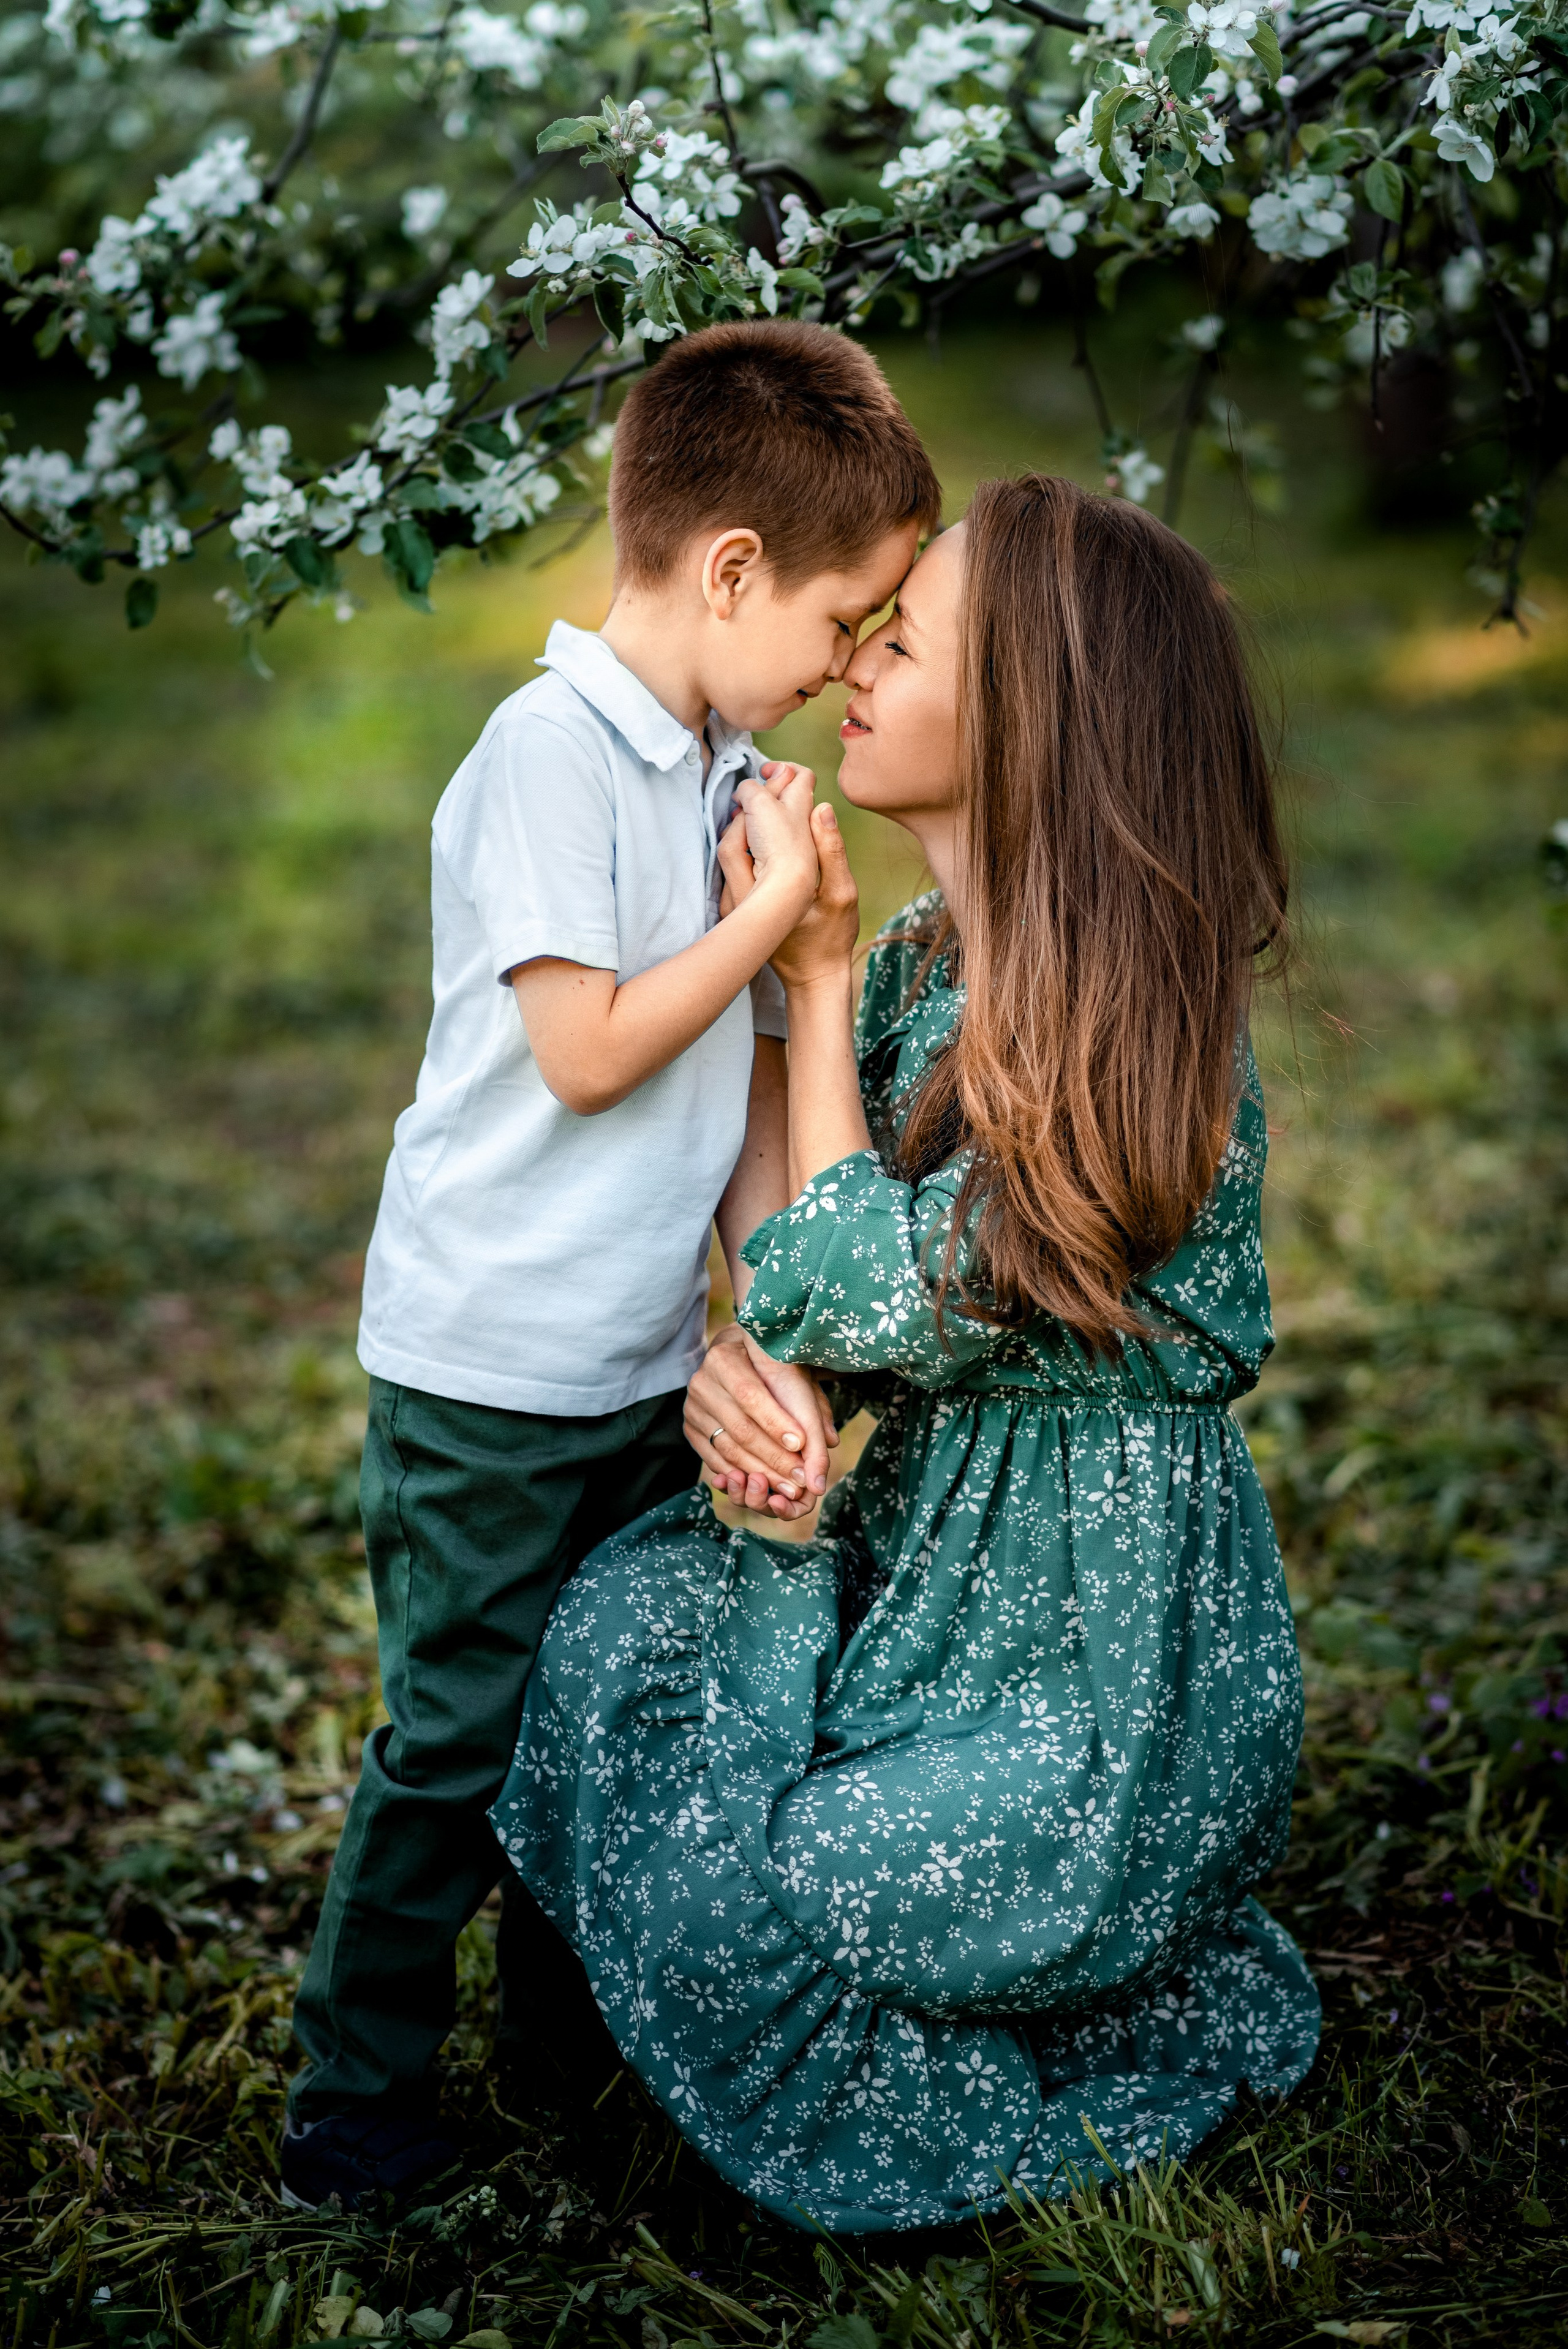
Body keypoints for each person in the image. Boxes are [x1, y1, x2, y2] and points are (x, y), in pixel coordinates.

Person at [491, 474, 1322, 2234]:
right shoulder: (929, 969)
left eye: (904, 638)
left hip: (1090, 1685)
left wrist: (815, 945)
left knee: (795, 1881)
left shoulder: (1138, 1034)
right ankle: (643, 2064)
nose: (853, 664)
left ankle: (1000, 2053)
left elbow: (852, 1270)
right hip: (934, 1571)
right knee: (626, 1628)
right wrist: (749, 1372)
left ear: (1025, 721)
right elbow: (813, 1288)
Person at [281, 320, 941, 2211]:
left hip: (633, 1361)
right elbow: (584, 1047)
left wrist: (777, 1309)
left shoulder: (719, 761)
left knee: (609, 1720)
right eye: (841, 622)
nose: (841, 674)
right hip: (489, 1368)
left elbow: (728, 1089)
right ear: (731, 570)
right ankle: (355, 2102)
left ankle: (576, 2072)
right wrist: (778, 920)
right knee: (460, 1739)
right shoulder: (544, 756)